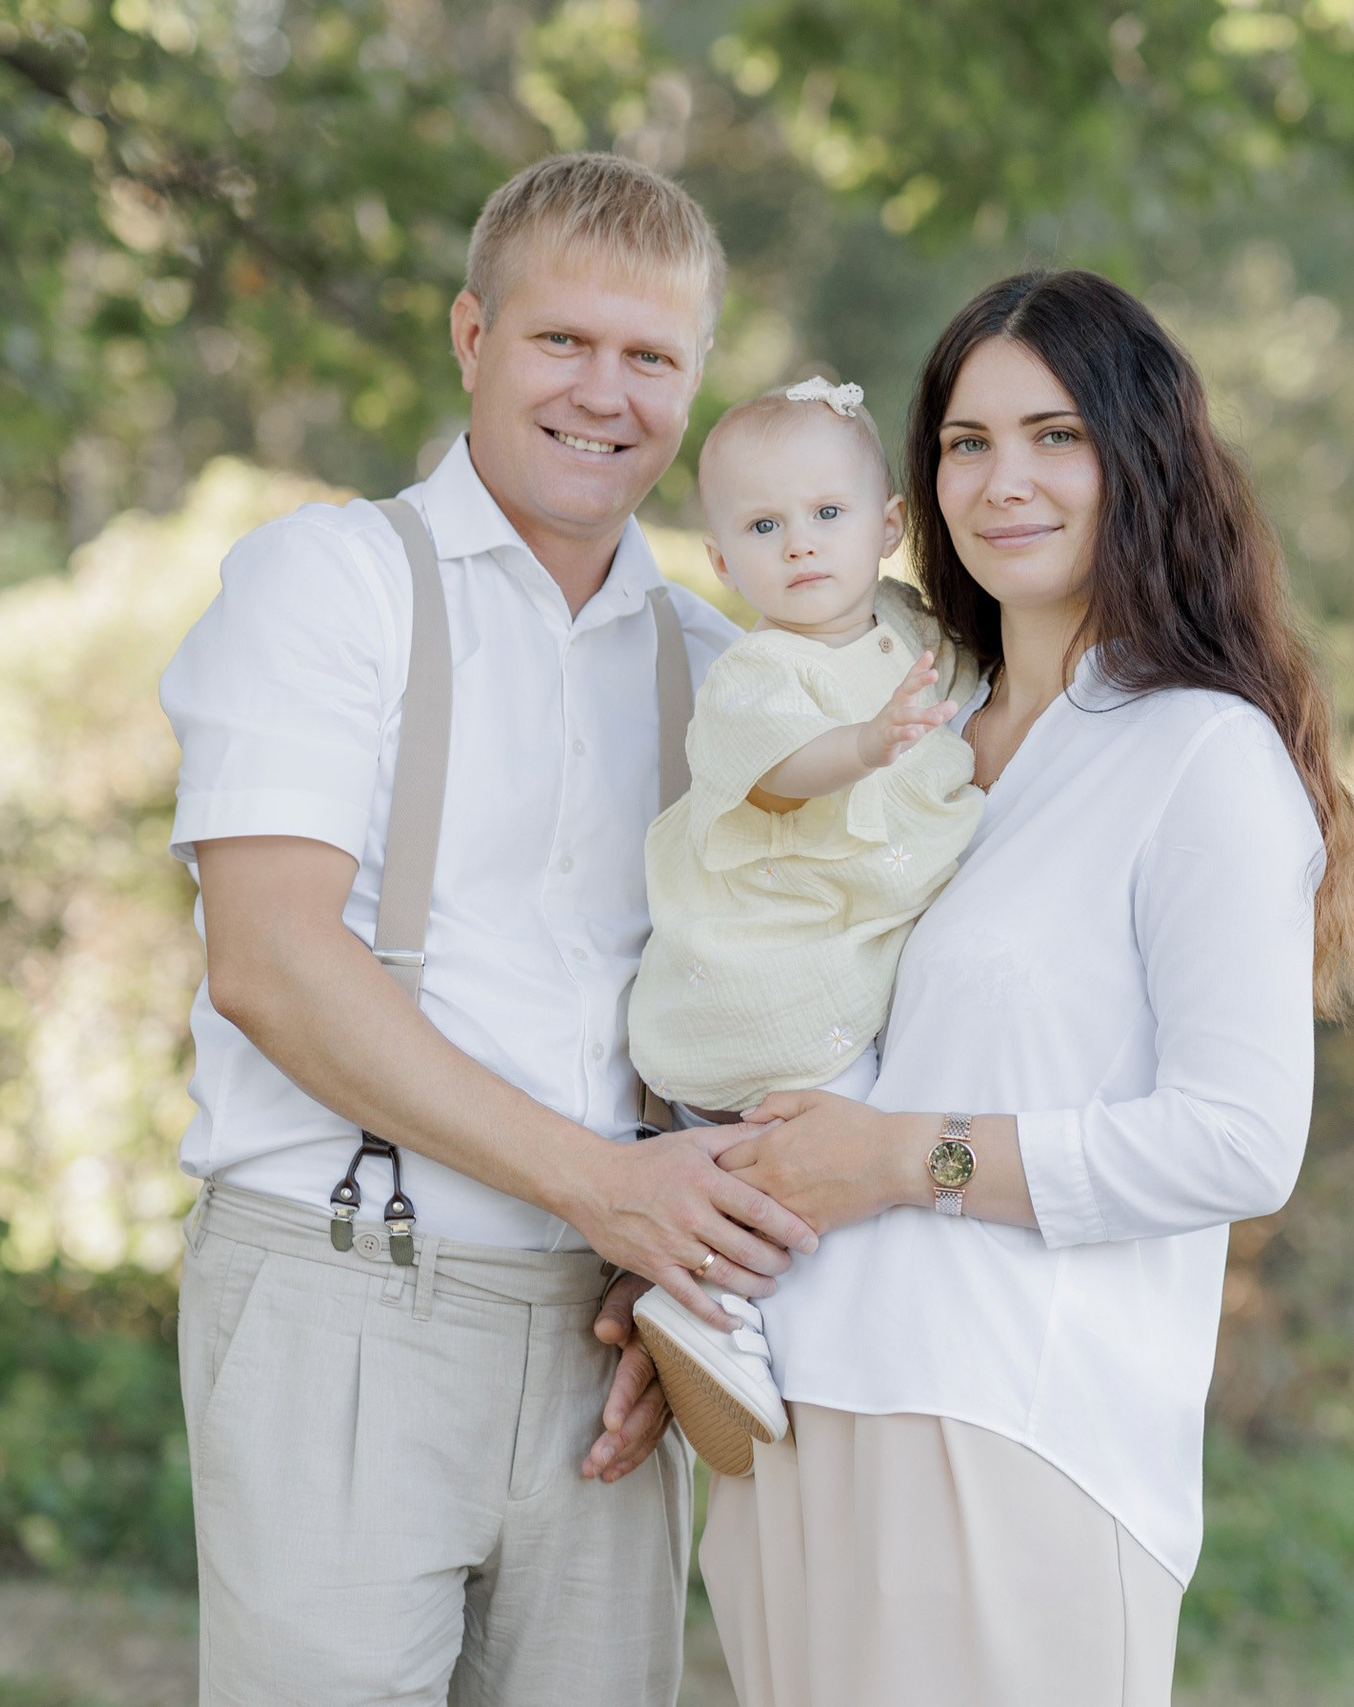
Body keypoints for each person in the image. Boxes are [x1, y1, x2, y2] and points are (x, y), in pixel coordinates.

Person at [158, 153, 820, 1707]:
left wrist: (682, 1291)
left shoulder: (724, 666)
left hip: (609, 1340)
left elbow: (761, 997)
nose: (607, 393)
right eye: (562, 342)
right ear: (472, 338)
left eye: (651, 357)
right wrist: (609, 1184)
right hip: (346, 1291)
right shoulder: (330, 584)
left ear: (695, 381)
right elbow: (269, 960)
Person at [692, 269, 1354, 1706]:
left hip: (1016, 1432)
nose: (1005, 478)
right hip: (799, 1409)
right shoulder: (905, 729)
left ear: (1138, 457)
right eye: (966, 441)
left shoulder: (1197, 754)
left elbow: (1238, 1141)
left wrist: (904, 1158)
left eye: (1054, 435)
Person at [623, 376, 984, 1477]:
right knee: (832, 1135)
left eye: (827, 516)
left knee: (835, 1135)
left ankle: (726, 1299)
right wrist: (865, 749)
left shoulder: (905, 627)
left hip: (836, 949)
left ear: (886, 529)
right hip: (767, 975)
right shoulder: (757, 672)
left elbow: (971, 678)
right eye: (764, 527)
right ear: (724, 562)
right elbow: (783, 775)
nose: (801, 546)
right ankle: (716, 1306)